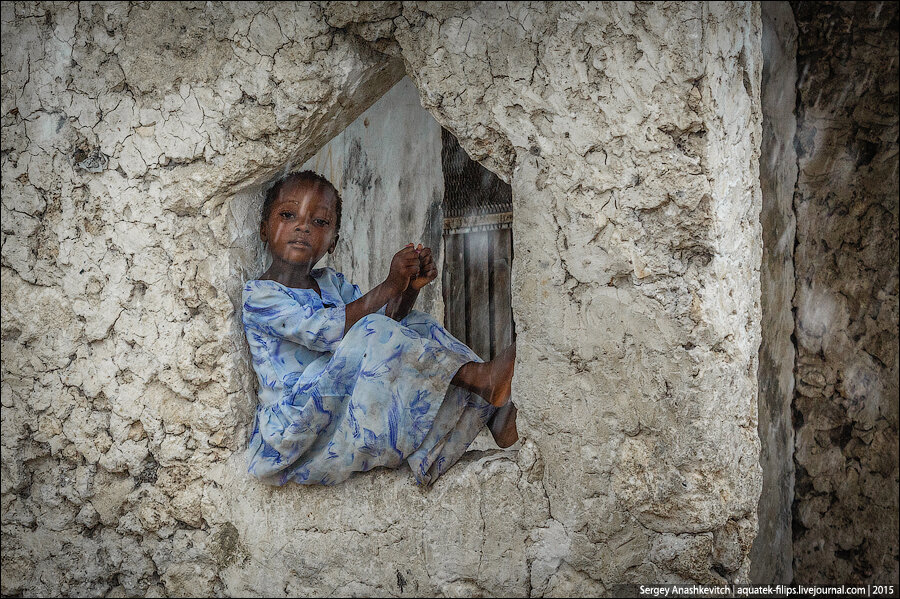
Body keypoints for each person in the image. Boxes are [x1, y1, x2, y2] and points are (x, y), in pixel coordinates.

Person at [241, 170, 518, 487]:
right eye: (288, 215)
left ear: (334, 242)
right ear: (264, 229)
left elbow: (389, 325)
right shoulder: (260, 295)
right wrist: (389, 285)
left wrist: (409, 288)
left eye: (320, 222)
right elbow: (331, 331)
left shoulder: (331, 283)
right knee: (370, 327)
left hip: (336, 413)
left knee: (419, 324)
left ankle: (495, 413)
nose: (303, 226)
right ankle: (480, 378)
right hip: (294, 435)